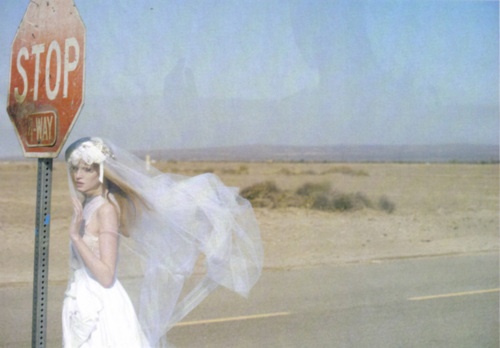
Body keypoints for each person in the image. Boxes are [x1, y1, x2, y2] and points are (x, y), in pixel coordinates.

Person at [62, 137, 263, 347]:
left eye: (87, 169)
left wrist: (76, 237)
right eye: (75, 169)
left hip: (101, 309)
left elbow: (105, 275)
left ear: (102, 172)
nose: (78, 175)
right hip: (81, 300)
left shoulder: (106, 210)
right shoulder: (87, 206)